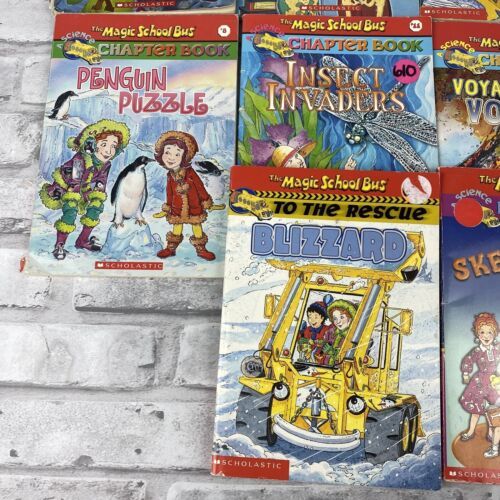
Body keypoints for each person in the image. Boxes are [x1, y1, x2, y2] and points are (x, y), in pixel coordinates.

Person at [39, 119, 130, 260]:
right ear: (92, 144)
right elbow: (74, 181)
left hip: (85, 189)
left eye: (113, 146)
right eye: (104, 144)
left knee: (96, 207)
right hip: (67, 188)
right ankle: (59, 244)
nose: (108, 150)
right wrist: (84, 195)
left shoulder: (105, 164)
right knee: (71, 210)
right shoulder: (81, 159)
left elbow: (101, 181)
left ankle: (82, 240)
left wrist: (97, 195)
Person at [154, 131, 216, 261]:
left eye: (177, 154)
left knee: (196, 226)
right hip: (177, 207)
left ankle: (201, 249)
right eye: (167, 152)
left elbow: (200, 187)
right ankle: (171, 248)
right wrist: (168, 206)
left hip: (194, 205)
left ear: (184, 157)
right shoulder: (170, 175)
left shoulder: (190, 173)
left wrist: (206, 201)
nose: (171, 158)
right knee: (177, 226)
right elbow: (169, 192)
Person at [459, 312, 500, 446]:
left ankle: (491, 433)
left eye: (489, 332)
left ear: (495, 333)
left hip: (494, 382)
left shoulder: (497, 349)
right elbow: (468, 360)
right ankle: (471, 431)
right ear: (477, 334)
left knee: (493, 409)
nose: (486, 336)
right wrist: (466, 373)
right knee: (475, 410)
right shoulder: (477, 351)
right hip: (479, 382)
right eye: (482, 332)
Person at [297, 295, 333, 364]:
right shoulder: (307, 330)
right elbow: (300, 341)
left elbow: (329, 343)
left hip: (322, 361)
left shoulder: (327, 330)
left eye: (316, 317)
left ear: (322, 318)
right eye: (310, 317)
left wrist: (316, 344)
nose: (312, 320)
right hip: (307, 360)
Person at [323, 299, 358, 366]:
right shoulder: (331, 333)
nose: (338, 322)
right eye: (335, 318)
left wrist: (332, 352)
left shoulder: (354, 336)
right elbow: (324, 347)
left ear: (351, 318)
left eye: (342, 317)